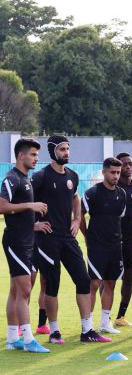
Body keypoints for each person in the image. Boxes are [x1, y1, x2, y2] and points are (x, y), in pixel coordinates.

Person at [32, 135, 102, 343]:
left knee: (84, 280)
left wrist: (77, 219)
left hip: (68, 238)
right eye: (62, 149)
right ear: (52, 151)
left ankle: (87, 331)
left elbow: (75, 197)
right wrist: (33, 224)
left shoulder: (72, 175)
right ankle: (54, 332)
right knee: (52, 283)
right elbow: (24, 200)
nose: (66, 153)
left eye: (68, 149)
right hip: (47, 239)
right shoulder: (41, 176)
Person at [2, 138, 50, 353]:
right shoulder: (12, 178)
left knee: (16, 291)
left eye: (37, 155)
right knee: (25, 290)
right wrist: (30, 205)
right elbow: (2, 206)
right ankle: (29, 340)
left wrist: (33, 225)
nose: (36, 159)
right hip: (16, 242)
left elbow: (18, 215)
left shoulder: (25, 179)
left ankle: (13, 339)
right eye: (33, 154)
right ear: (21, 155)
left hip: (26, 239)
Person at [80, 157, 127, 337]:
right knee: (94, 283)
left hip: (115, 245)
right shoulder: (92, 193)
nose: (116, 176)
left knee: (110, 283)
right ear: (104, 172)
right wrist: (87, 236)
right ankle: (89, 324)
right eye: (112, 172)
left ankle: (105, 323)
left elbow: (119, 218)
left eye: (118, 173)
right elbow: (80, 214)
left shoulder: (122, 194)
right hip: (97, 245)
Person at [113, 152, 132, 328]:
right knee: (108, 279)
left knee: (129, 277)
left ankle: (121, 316)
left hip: (131, 239)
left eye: (130, 164)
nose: (128, 167)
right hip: (113, 239)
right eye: (124, 164)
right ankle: (105, 316)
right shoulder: (113, 186)